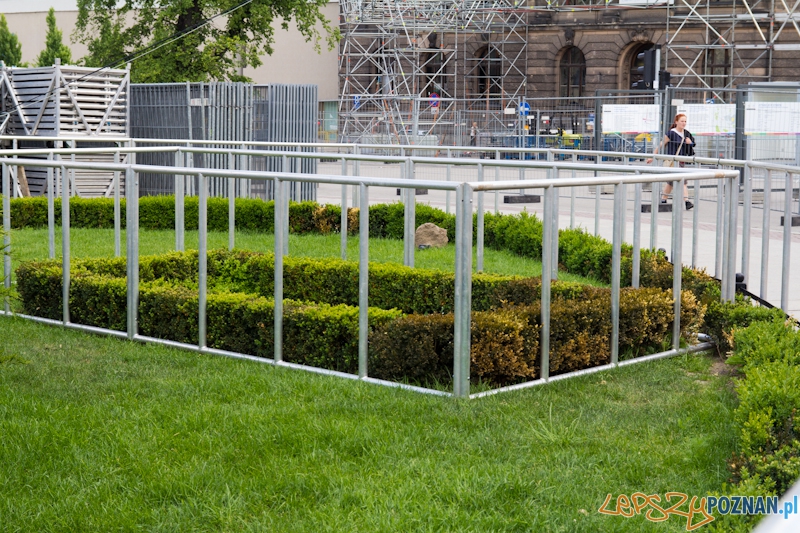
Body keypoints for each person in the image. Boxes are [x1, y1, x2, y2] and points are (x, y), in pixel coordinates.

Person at [646, 113, 695, 210]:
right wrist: (653, 156)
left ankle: (663, 199)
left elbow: (692, 145)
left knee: (670, 183)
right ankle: (687, 201)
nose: (684, 123)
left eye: (685, 121)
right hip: (673, 161)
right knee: (683, 181)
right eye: (682, 121)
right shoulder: (671, 133)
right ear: (676, 122)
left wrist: (690, 143)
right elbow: (661, 144)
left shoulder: (686, 133)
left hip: (682, 160)